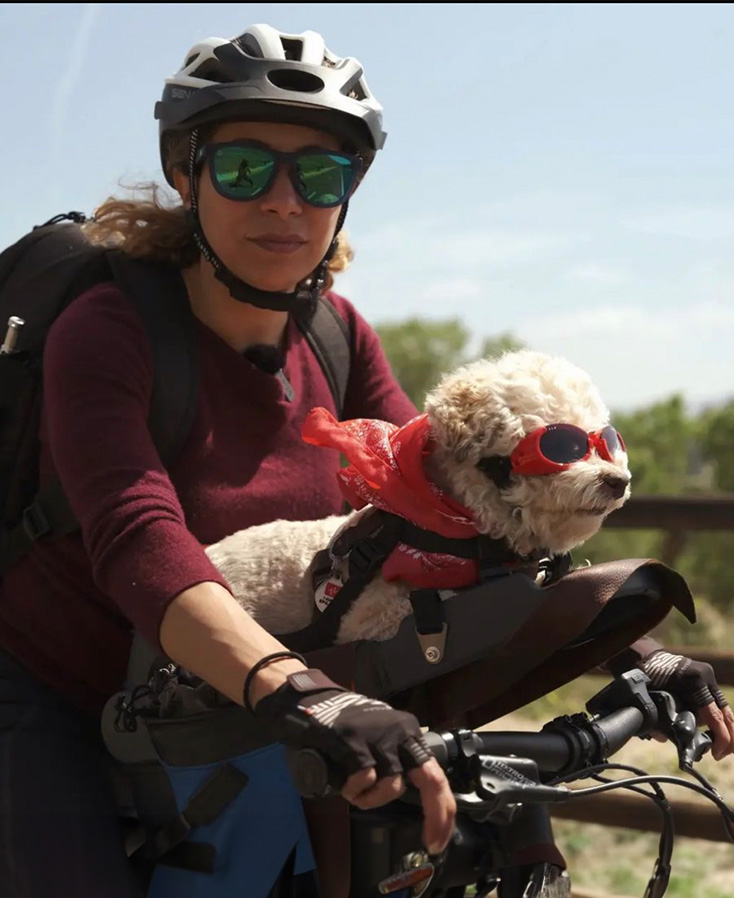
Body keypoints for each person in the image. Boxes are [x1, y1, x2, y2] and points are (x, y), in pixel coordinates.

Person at [0, 23, 456, 898]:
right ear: (186, 174)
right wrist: (305, 691)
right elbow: (138, 538)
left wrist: (619, 622)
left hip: (220, 701)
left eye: (320, 174)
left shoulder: (336, 336)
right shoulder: (110, 326)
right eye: (246, 168)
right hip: (51, 688)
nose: (285, 202)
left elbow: (446, 501)